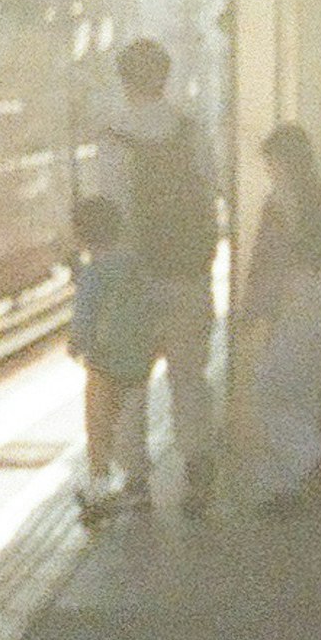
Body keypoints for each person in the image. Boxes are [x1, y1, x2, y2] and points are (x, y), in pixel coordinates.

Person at [104, 37, 222, 515]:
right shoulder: (191, 133)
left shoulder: (114, 138)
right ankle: (196, 471)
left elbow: (107, 213)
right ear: (165, 78)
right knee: (189, 379)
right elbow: (212, 190)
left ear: (126, 80)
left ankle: (135, 479)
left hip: (134, 281)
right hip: (188, 278)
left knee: (130, 381)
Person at [236, 123, 321, 513]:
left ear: (283, 160)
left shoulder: (278, 204)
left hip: (294, 300)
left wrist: (251, 311)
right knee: (304, 396)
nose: (268, 169)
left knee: (269, 390)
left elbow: (267, 262)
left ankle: (314, 457)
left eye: (271, 161)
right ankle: (284, 488)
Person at [67, 196, 152, 524]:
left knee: (100, 424)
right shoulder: (134, 264)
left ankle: (100, 485)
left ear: (82, 235)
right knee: (134, 421)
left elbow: (85, 314)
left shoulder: (94, 272)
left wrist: (77, 343)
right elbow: (149, 302)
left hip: (104, 362)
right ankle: (138, 481)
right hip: (137, 359)